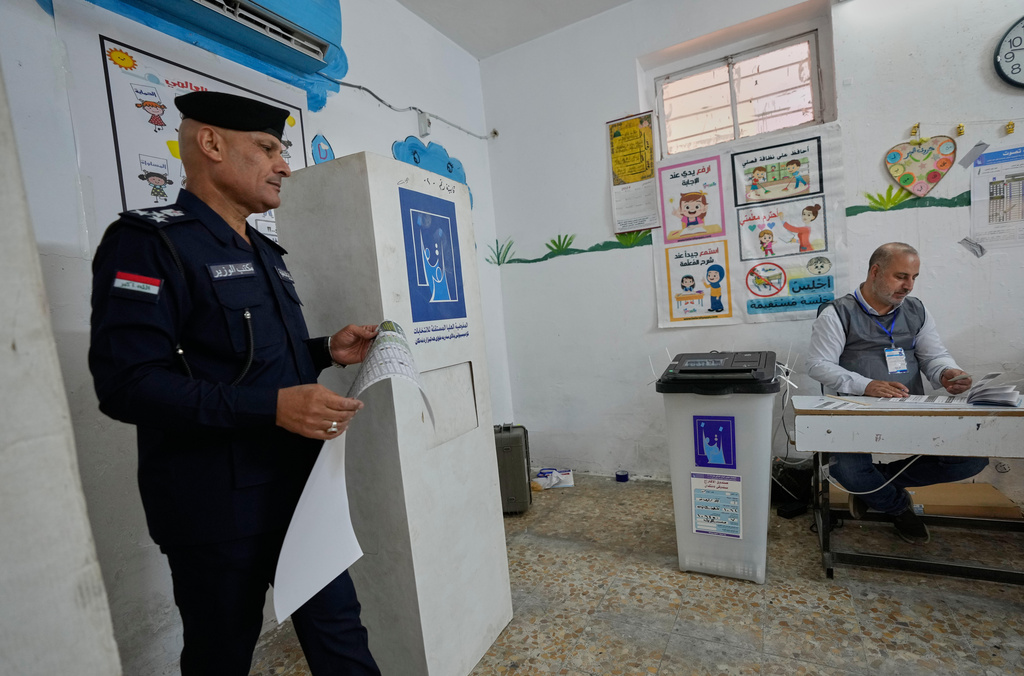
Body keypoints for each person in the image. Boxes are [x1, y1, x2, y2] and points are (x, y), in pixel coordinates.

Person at [89, 91, 381, 675]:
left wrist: (325, 349)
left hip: (297, 488)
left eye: (283, 150)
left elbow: (245, 359)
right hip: (214, 506)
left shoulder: (265, 251)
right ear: (212, 144)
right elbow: (128, 384)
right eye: (268, 148)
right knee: (220, 655)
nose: (285, 165)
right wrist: (271, 408)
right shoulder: (149, 243)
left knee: (342, 640)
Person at [805, 242, 987, 544]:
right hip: (856, 411)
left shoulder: (916, 310)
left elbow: (933, 355)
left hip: (909, 407)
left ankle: (876, 488)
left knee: (970, 461)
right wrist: (867, 385)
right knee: (847, 472)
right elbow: (818, 364)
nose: (909, 286)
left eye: (914, 277)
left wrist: (946, 372)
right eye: (901, 276)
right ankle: (898, 506)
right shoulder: (837, 313)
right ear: (875, 271)